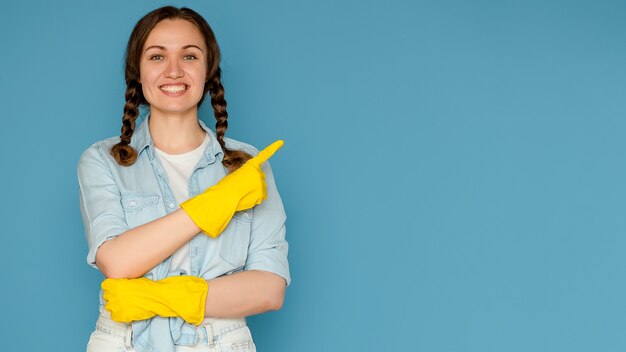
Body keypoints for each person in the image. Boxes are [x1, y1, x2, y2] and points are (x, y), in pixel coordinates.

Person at [77, 6, 290, 352]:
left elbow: (270, 289)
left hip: (219, 343)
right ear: (138, 71)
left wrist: (159, 297)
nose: (174, 71)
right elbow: (116, 261)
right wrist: (214, 204)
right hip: (123, 342)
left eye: (189, 56)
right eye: (157, 56)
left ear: (207, 70)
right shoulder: (103, 160)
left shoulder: (248, 166)